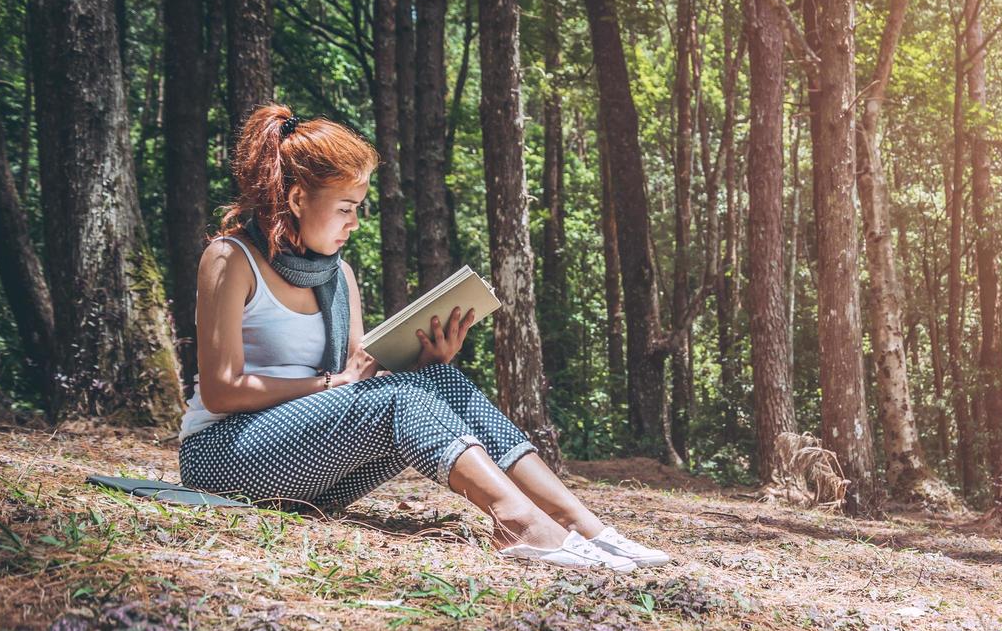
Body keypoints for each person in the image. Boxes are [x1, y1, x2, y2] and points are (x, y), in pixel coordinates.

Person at [177, 103, 667, 572]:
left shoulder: (337, 276)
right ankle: (520, 526)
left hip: (307, 471)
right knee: (398, 400)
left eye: (359, 208)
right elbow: (223, 389)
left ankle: (583, 524)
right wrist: (329, 385)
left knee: (437, 379)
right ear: (298, 198)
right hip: (222, 456)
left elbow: (360, 379)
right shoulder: (230, 258)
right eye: (346, 207)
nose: (354, 223)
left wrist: (422, 361)